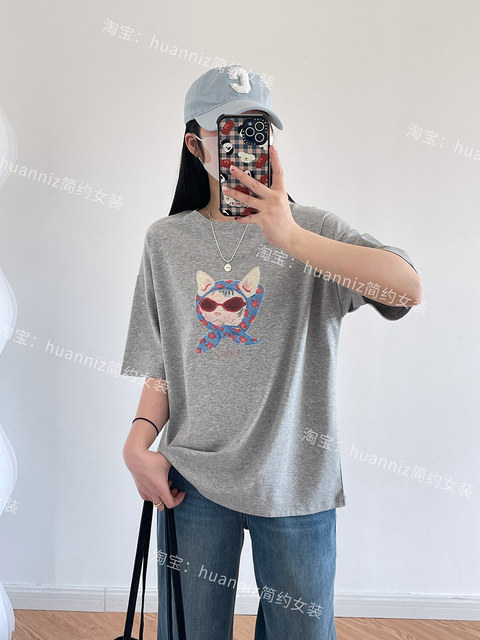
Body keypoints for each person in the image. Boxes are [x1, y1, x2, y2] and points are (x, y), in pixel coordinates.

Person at [120, 63, 423, 640]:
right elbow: (164, 361)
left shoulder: (314, 229)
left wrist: (291, 238)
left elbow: (407, 289)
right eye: (229, 130)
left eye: (257, 129)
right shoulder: (166, 240)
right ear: (195, 145)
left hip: (296, 480)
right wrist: (138, 443)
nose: (245, 146)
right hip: (193, 481)